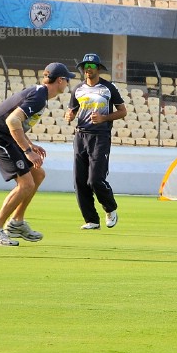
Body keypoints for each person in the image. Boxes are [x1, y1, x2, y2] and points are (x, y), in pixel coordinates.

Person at [0, 63, 74, 246]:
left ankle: (16, 223)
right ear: (60, 80)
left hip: (6, 136)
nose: (67, 83)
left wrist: (30, 144)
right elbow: (12, 120)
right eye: (67, 80)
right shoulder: (39, 96)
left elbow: (18, 124)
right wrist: (28, 151)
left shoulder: (40, 94)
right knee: (26, 183)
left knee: (38, 174)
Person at [64, 53, 127, 230]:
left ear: (98, 69)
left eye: (92, 66)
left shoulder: (108, 88)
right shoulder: (77, 89)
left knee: (95, 180)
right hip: (80, 136)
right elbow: (72, 111)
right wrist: (69, 115)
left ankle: (110, 208)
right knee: (79, 180)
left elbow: (123, 111)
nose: (88, 69)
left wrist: (104, 118)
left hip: (100, 136)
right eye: (86, 66)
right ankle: (91, 220)